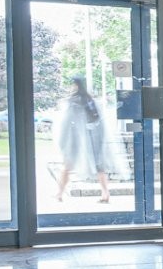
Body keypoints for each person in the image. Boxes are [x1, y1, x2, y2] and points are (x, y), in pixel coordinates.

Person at [52, 77, 123, 206]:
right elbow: (99, 120)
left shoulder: (73, 102)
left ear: (75, 85)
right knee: (99, 166)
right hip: (94, 137)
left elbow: (66, 123)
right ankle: (105, 193)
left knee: (67, 166)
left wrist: (62, 142)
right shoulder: (90, 100)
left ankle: (59, 193)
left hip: (76, 139)